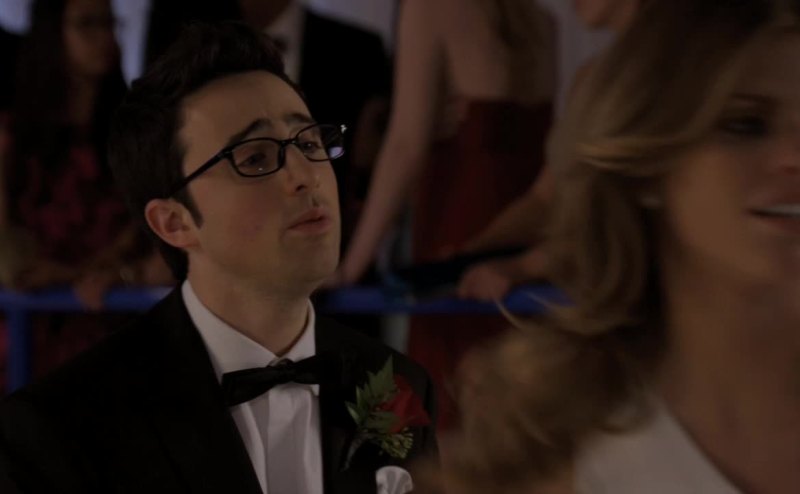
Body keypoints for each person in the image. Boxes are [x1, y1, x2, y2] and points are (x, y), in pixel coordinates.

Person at [0, 22, 436, 494]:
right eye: (255, 158)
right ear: (174, 222)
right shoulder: (62, 426)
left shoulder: (396, 383)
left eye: (309, 143)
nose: (306, 176)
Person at [423, 0, 800, 492]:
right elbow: (545, 200)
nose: (794, 156)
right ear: (649, 168)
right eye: (746, 125)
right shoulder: (561, 460)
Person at [336, 0, 557, 430]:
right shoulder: (542, 23)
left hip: (456, 241)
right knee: (517, 419)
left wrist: (349, 267)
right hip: (525, 249)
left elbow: (405, 146)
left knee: (452, 414)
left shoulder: (431, 7)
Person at [456, 0, 642, 302]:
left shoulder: (671, 81)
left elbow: (626, 224)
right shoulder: (589, 78)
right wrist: (475, 251)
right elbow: (545, 199)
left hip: (636, 300)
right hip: (586, 298)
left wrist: (525, 266)